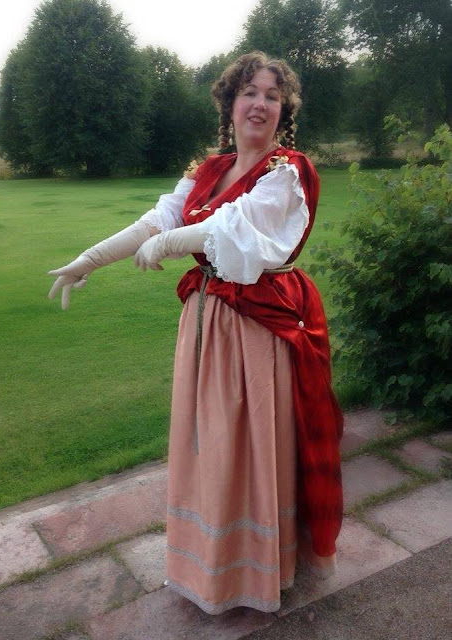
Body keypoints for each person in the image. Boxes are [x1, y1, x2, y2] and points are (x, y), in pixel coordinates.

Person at [48, 51, 343, 615]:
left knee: (250, 444)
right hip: (208, 319)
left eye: (272, 96)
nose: (260, 104)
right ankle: (209, 564)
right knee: (209, 443)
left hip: (260, 324)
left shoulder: (288, 172)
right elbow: (157, 220)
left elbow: (235, 228)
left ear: (284, 110)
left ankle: (257, 568)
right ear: (229, 103)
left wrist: (174, 242)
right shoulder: (207, 170)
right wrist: (91, 258)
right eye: (249, 92)